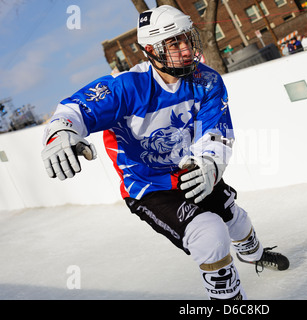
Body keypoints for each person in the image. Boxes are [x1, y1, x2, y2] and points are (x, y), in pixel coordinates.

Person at [41, 5, 288, 300]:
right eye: (173, 43)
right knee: (210, 236)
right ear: (150, 49)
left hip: (192, 170)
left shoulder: (206, 81)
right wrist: (61, 132)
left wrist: (210, 162)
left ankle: (254, 253)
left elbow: (217, 131)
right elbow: (75, 109)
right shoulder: (127, 87)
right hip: (149, 186)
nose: (185, 50)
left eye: (186, 39)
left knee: (236, 218)